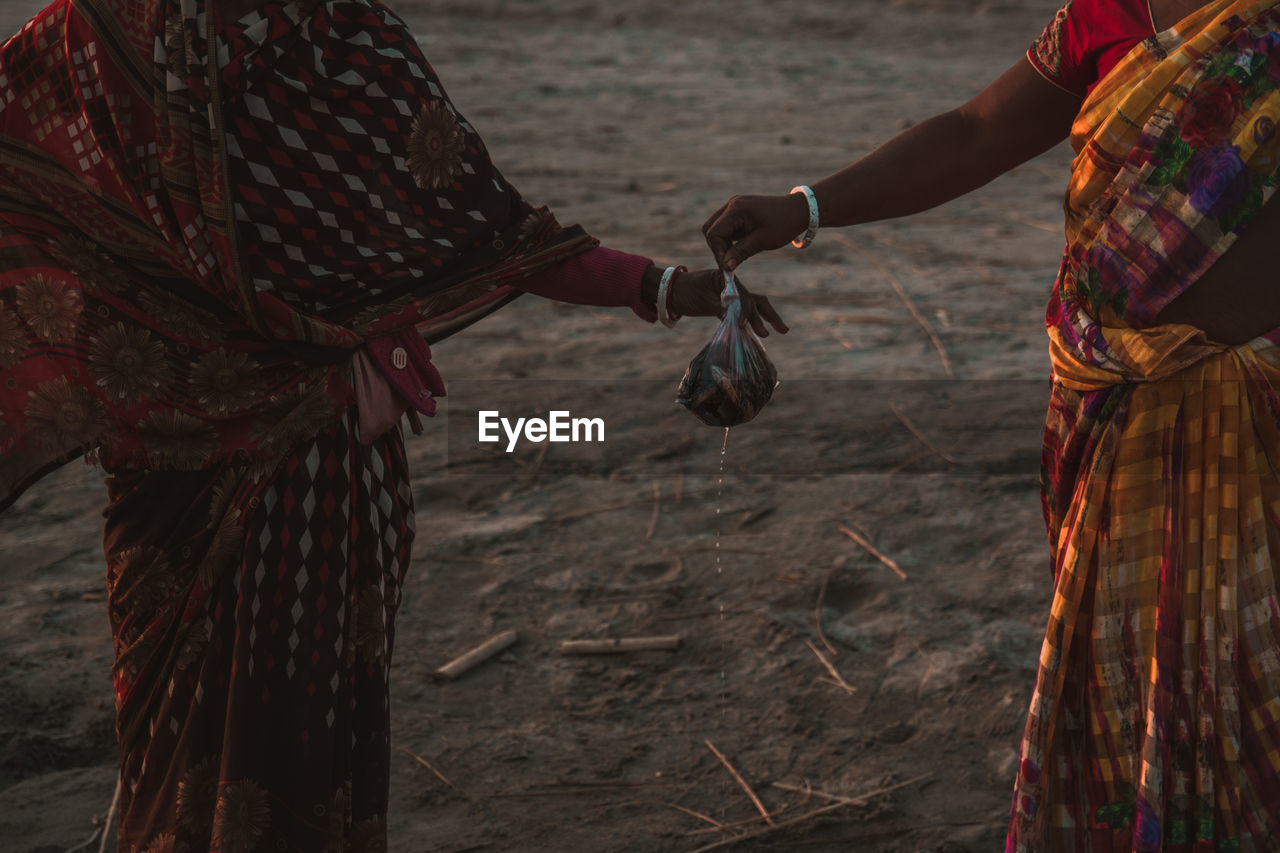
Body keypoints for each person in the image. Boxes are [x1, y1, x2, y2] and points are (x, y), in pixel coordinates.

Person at [0, 0, 786, 850]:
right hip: (306, 466)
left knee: (176, 738)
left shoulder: (111, 30)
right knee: (284, 742)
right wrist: (668, 286)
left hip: (173, 436)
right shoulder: (337, 38)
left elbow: (28, 164)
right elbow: (489, 234)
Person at [704, 0, 1280, 849]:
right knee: (1125, 672)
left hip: (1253, 406)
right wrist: (807, 207)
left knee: (1247, 674)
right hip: (1109, 400)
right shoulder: (1107, 15)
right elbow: (976, 133)